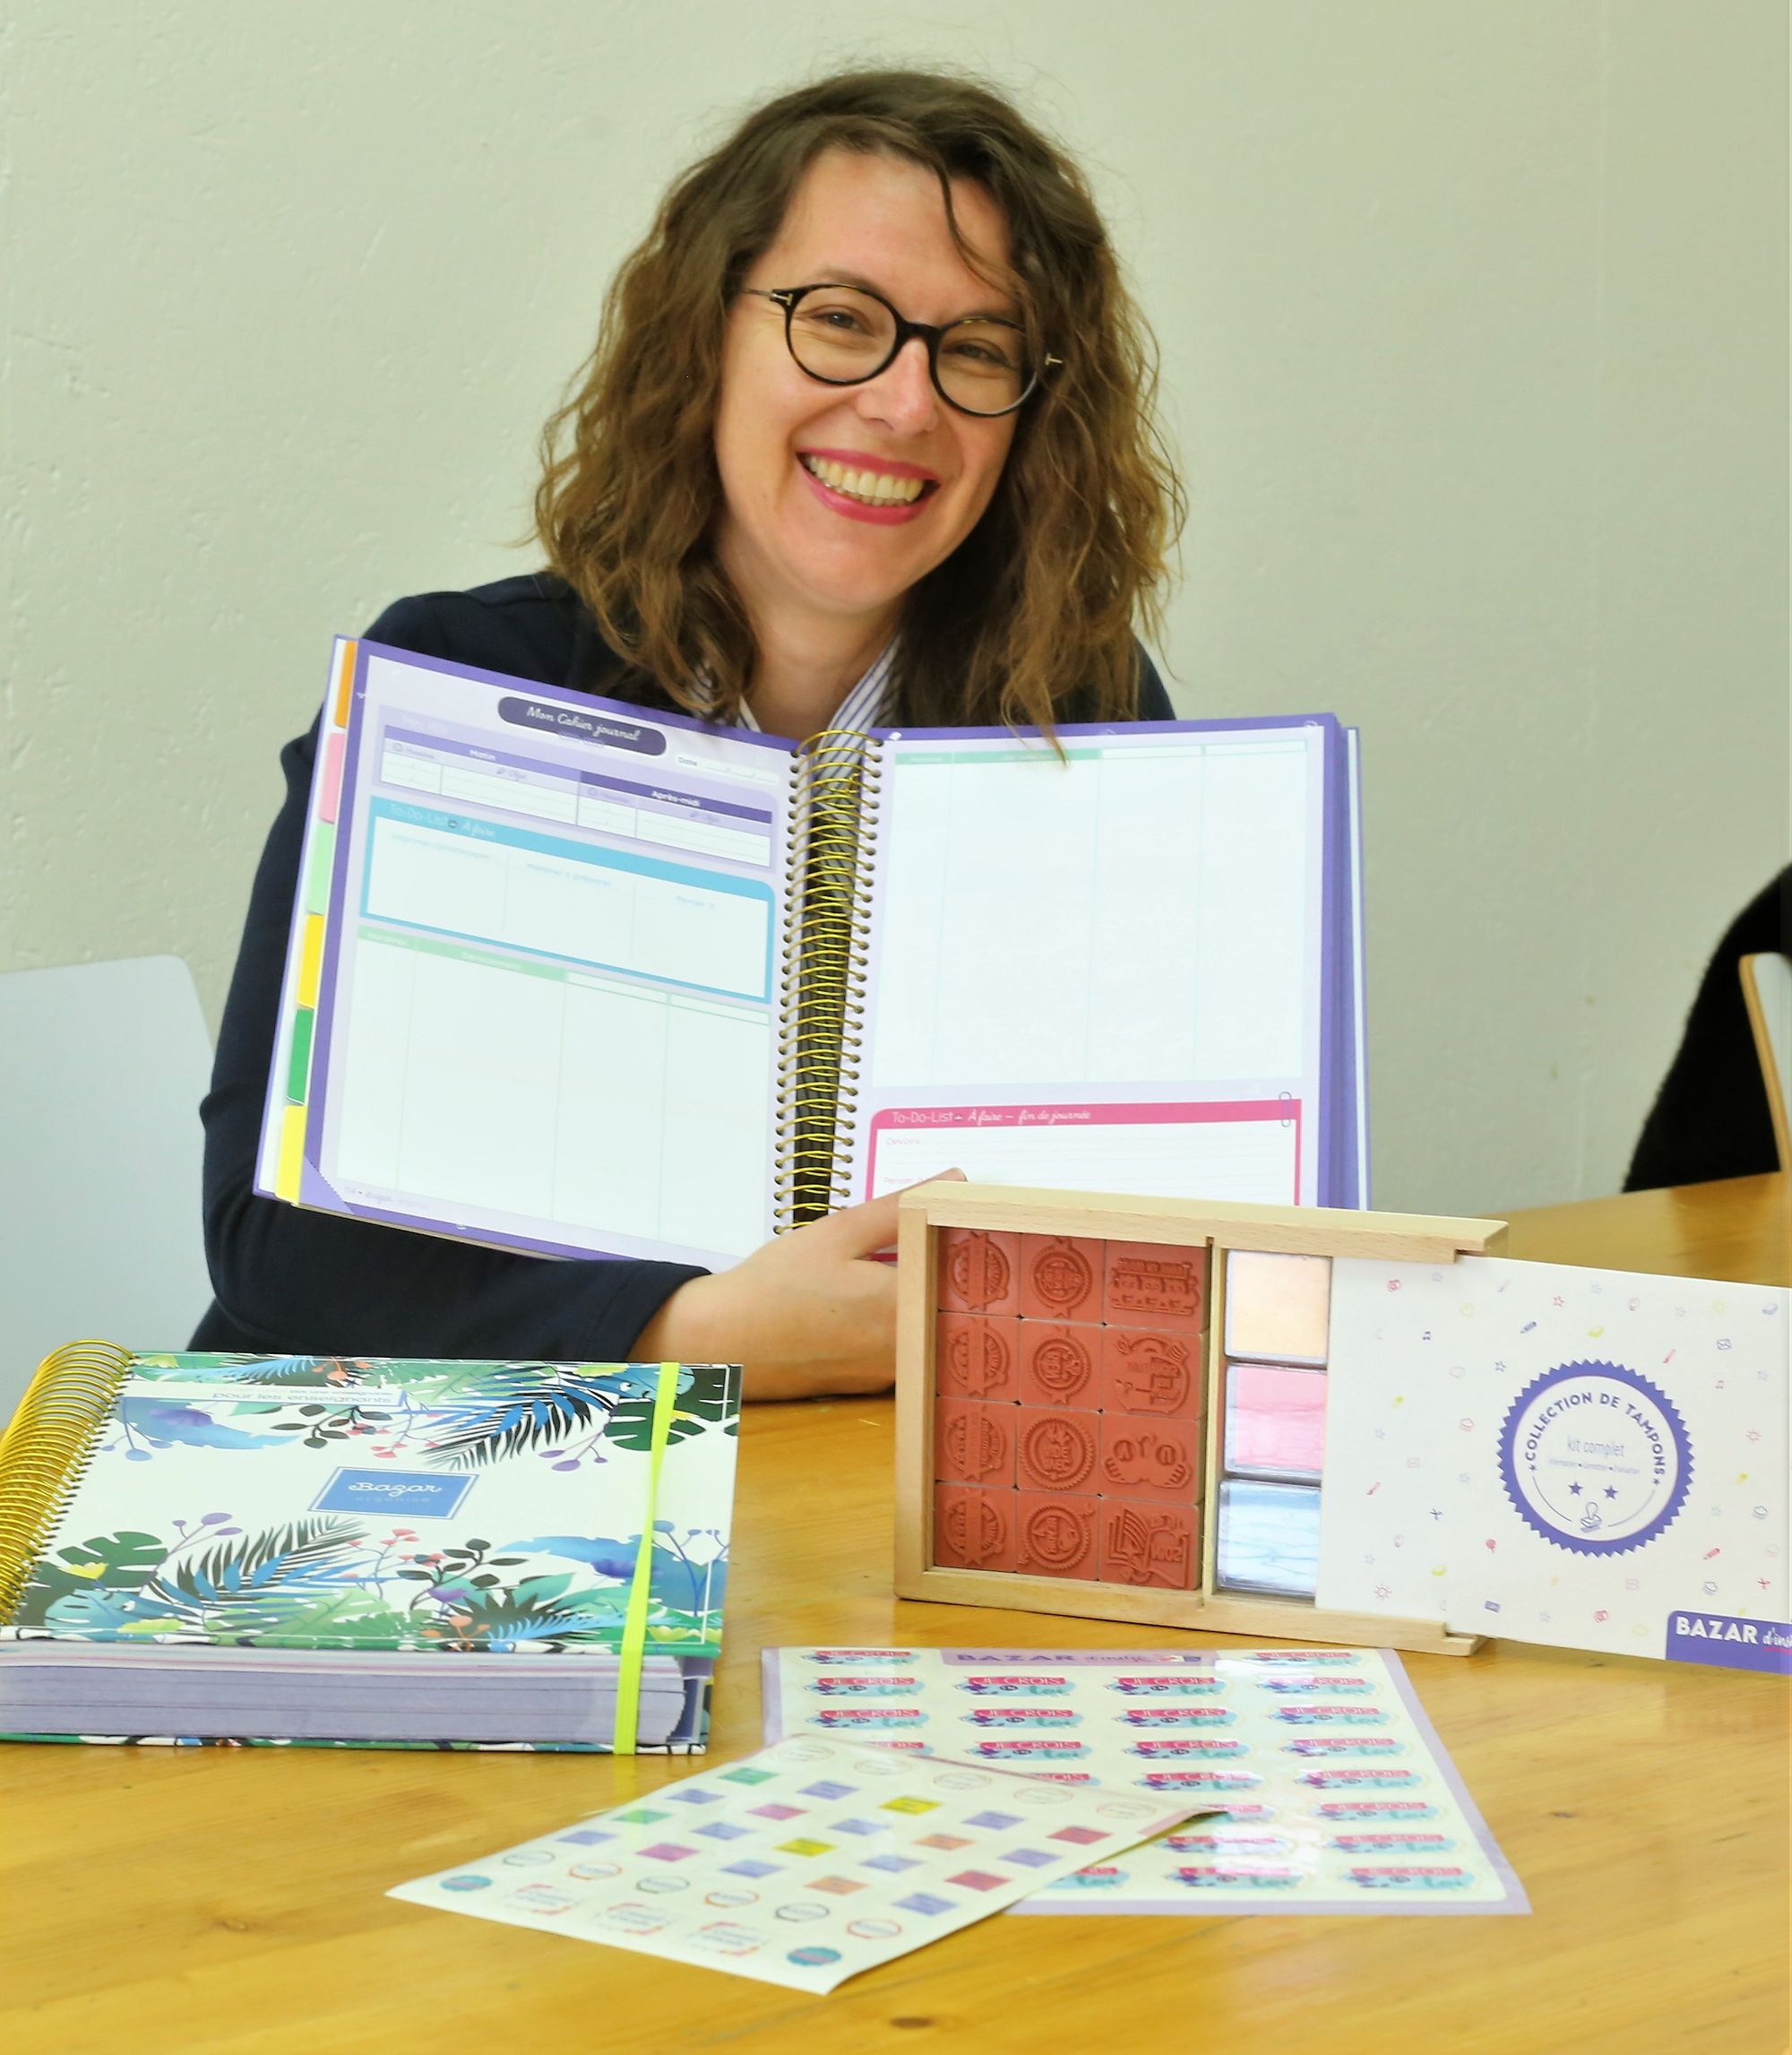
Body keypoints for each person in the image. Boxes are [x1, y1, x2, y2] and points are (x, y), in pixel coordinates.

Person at [193, 69, 1184, 1398]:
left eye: (977, 351)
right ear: (706, 336)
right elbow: (275, 1246)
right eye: (841, 320)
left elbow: (1150, 1204)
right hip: (460, 1466)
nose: (906, 404)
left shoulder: (1079, 718)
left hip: (866, 1464)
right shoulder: (456, 681)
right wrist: (699, 1337)